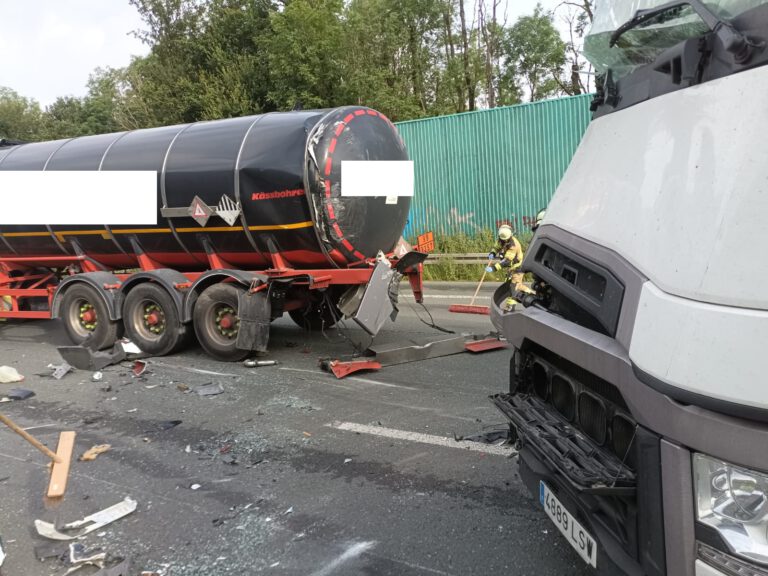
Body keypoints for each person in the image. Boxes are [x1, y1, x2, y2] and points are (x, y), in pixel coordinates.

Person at [486, 224, 534, 310]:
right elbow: (496, 247)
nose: (503, 240)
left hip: (517, 267)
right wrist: (492, 253)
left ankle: (514, 304)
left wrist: (493, 268)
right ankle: (529, 296)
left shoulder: (513, 245)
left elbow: (507, 261)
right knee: (510, 285)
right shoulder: (501, 239)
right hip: (511, 268)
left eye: (505, 239)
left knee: (514, 286)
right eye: (502, 239)